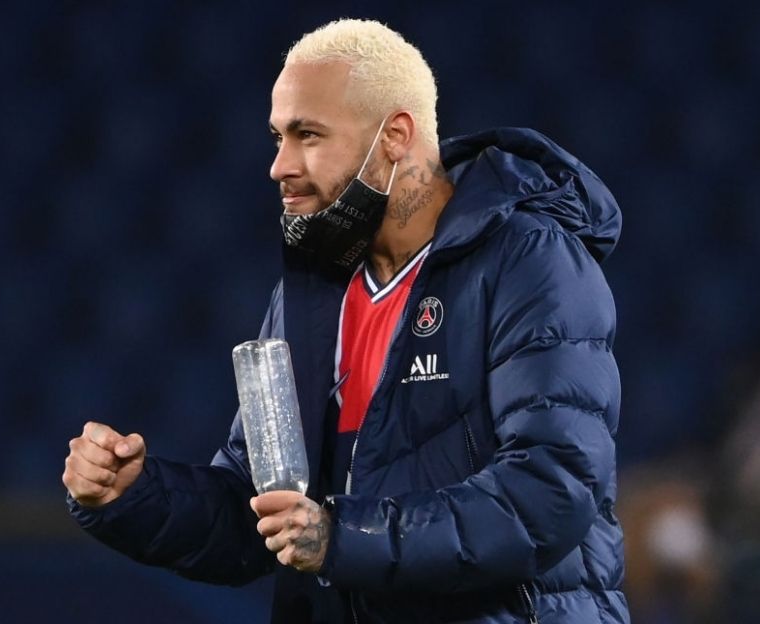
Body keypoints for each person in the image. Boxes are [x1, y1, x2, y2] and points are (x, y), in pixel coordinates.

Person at [63, 18, 629, 624]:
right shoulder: (309, 294)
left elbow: (550, 490)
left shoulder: (529, 259)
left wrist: (342, 537)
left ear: (395, 136)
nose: (279, 166)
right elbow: (263, 511)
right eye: (277, 137)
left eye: (307, 135)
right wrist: (134, 496)